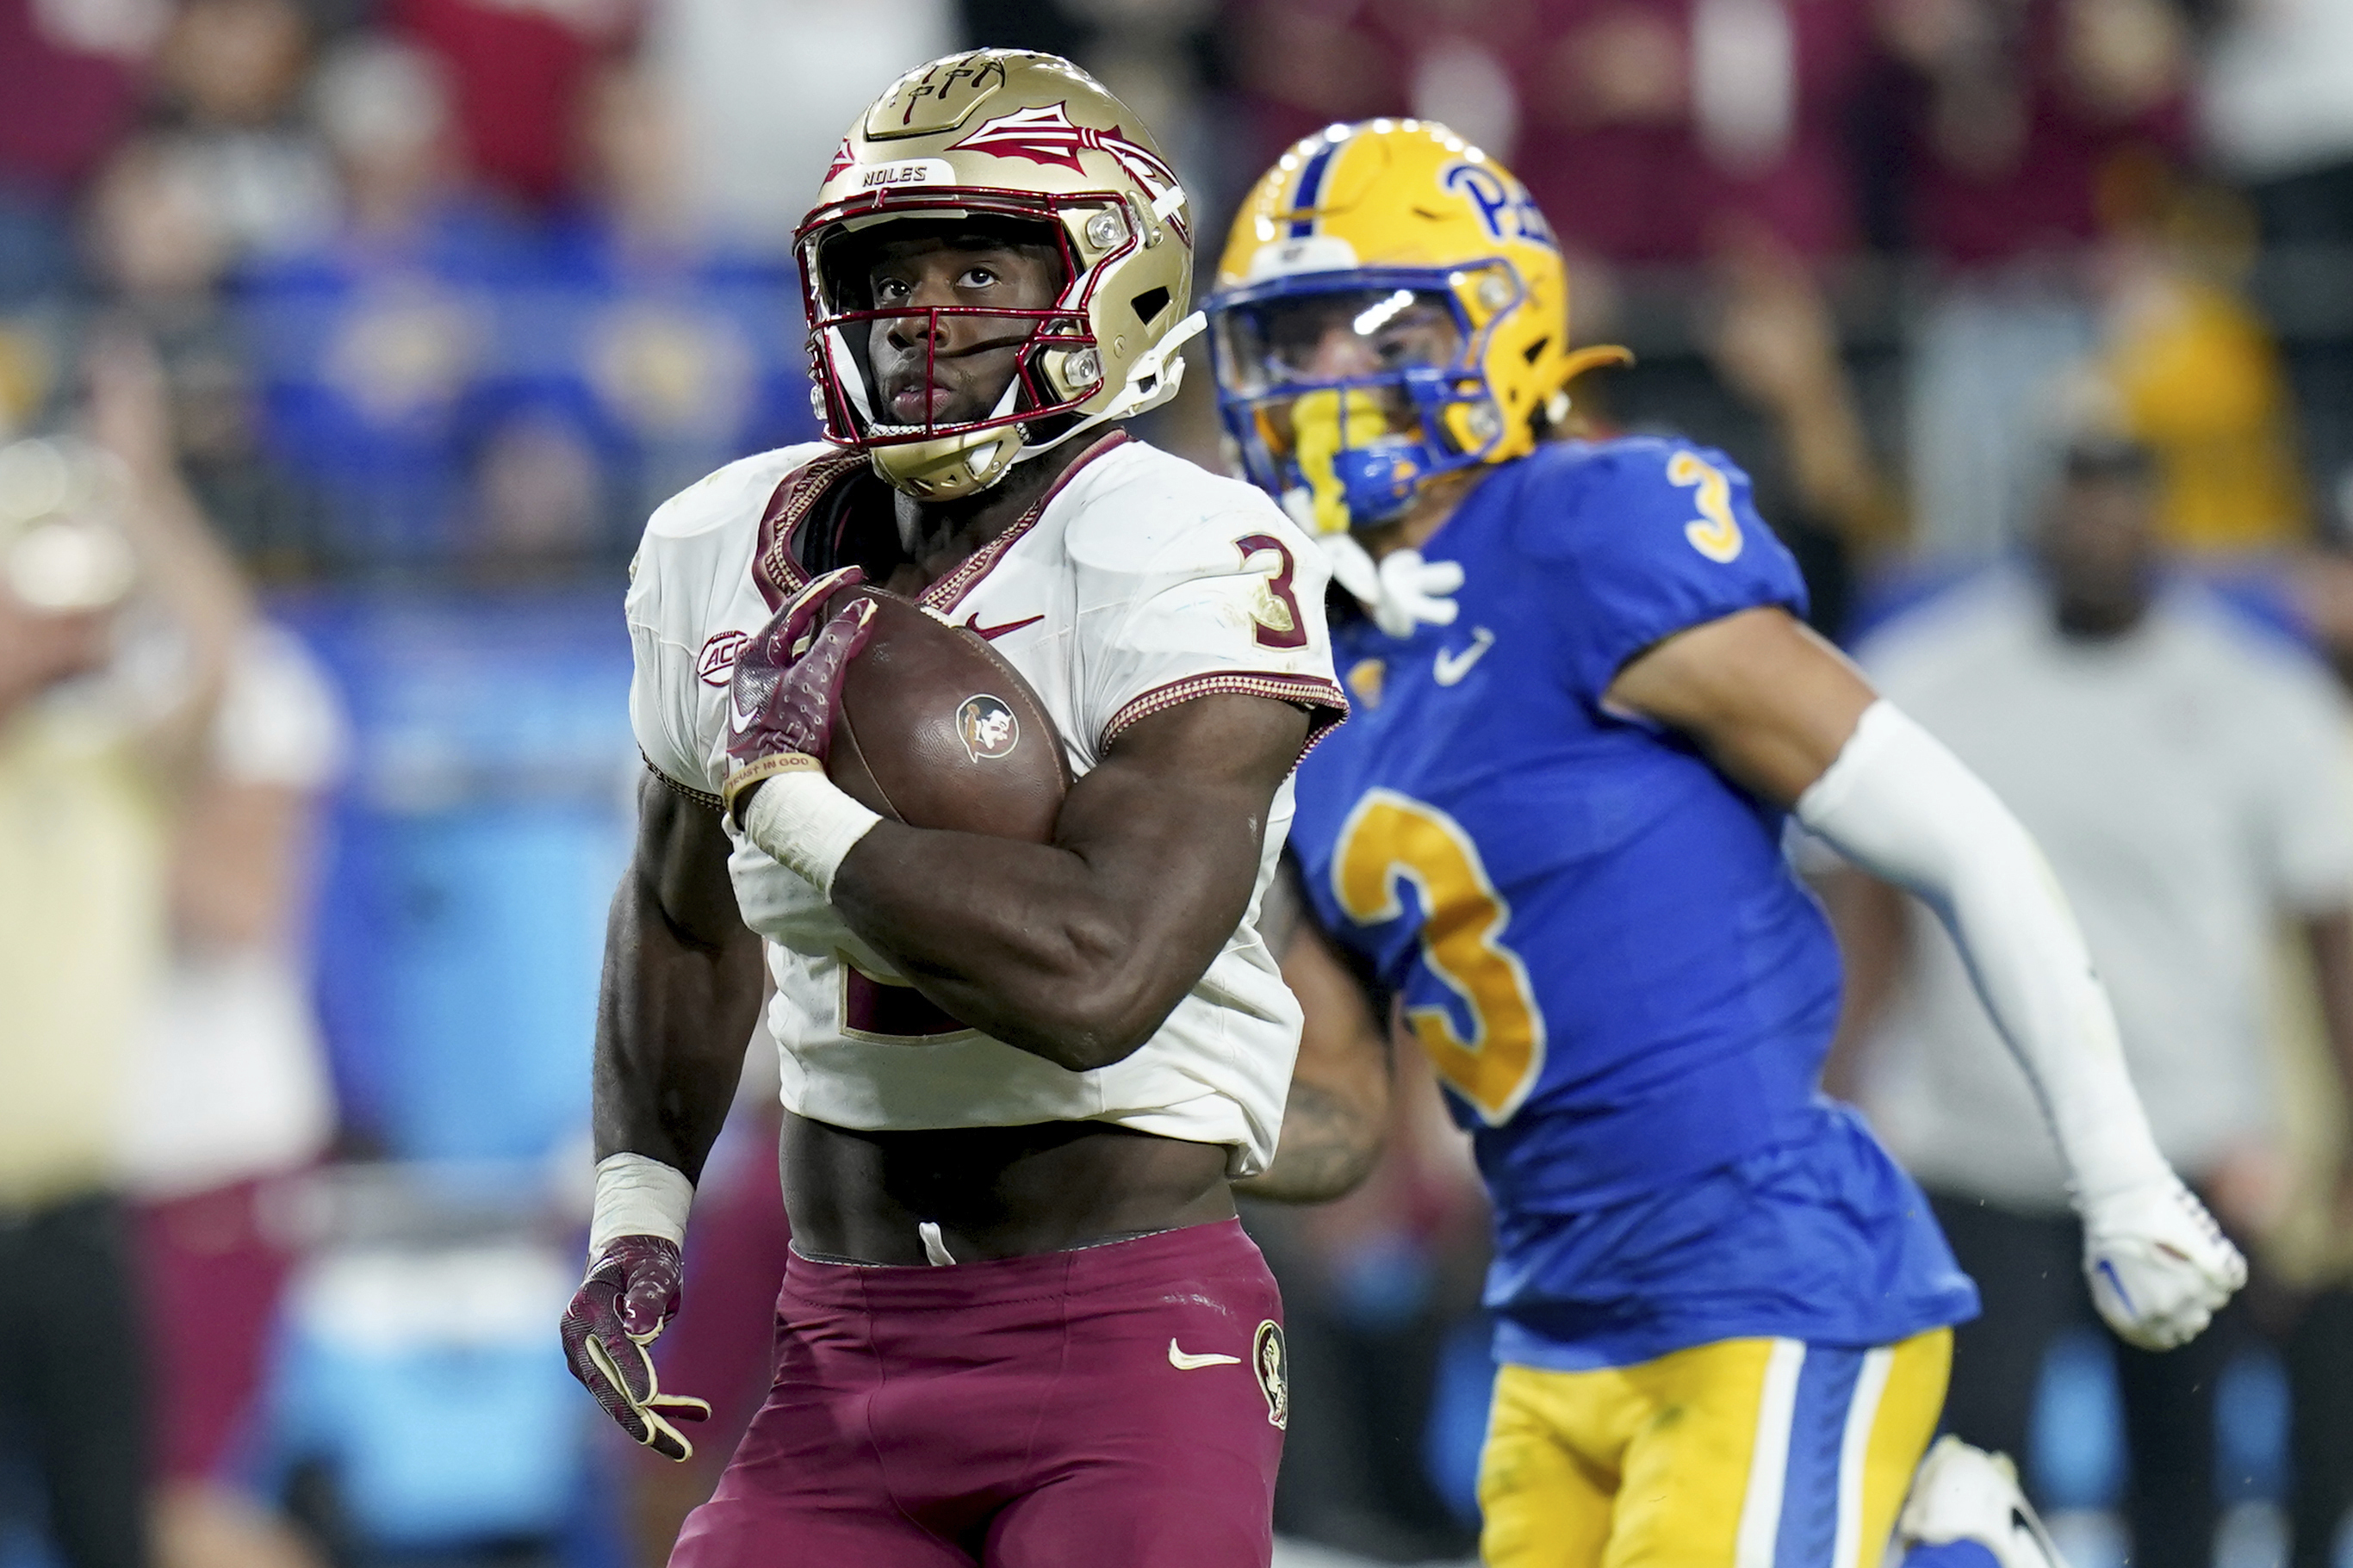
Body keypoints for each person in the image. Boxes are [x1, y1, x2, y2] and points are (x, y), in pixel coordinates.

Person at [1201, 117, 2244, 1568]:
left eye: (1367, 329)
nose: (1321, 377)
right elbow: (1331, 1113)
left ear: (1502, 322)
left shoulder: (1585, 528)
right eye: (1286, 340)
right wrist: (1106, 1088)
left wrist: (2119, 1170)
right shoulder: (1316, 661)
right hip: (1550, 1321)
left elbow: (1959, 835)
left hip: (1763, 1273)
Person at [557, 49, 1346, 1568]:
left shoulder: (1189, 554)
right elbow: (675, 909)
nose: (919, 317)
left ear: (1117, 281)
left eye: (980, 266)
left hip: (1120, 1326)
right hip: (840, 1330)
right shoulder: (716, 544)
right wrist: (639, 1214)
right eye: (886, 269)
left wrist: (799, 811)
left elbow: (1098, 975)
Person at [1826, 433, 2353, 1568]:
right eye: (2077, 500)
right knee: (1970, 1466)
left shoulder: (2258, 694)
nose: (2097, 527)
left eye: (2121, 500)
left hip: (2189, 1151)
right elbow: (1863, 908)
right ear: (2036, 509)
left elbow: (2332, 934)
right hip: (1977, 1147)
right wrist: (1829, 1093)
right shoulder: (1930, 672)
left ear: (2161, 516)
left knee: (2190, 1469)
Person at [0, 342, 250, 1568]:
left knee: (113, 1532)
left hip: (74, 1226)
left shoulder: (106, 771)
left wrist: (138, 486)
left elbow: (214, 653)